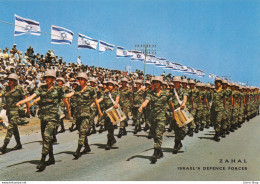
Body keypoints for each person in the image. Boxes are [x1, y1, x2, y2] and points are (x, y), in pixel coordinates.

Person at [16, 70, 71, 171]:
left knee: (46, 136)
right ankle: (51, 157)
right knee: (46, 138)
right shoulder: (42, 88)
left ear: (53, 79)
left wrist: (68, 111)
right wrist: (21, 102)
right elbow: (32, 97)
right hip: (43, 116)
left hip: (53, 117)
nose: (46, 79)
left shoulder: (59, 89)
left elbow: (65, 101)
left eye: (49, 77)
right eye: (45, 77)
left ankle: (42, 160)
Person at [139, 76, 174, 164]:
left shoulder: (166, 94)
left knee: (159, 134)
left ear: (161, 84)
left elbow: (171, 104)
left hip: (162, 117)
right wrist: (141, 106)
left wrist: (173, 114)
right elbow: (146, 101)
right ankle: (159, 151)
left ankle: (155, 152)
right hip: (153, 117)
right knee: (154, 134)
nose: (155, 84)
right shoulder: (150, 94)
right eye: (154, 82)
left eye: (157, 82)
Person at [66, 73, 102, 159]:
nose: (80, 81)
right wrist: (61, 96)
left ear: (86, 81)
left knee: (82, 132)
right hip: (78, 114)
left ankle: (78, 151)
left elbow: (95, 100)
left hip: (86, 114)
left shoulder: (90, 90)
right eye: (79, 79)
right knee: (81, 131)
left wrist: (99, 111)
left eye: (82, 79)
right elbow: (70, 95)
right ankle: (87, 146)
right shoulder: (77, 89)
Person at [0, 73, 30, 154]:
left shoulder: (19, 88)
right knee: (14, 128)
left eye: (11, 80)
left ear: (15, 81)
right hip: (9, 111)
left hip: (16, 111)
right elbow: (1, 94)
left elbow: (26, 99)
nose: (9, 81)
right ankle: (19, 144)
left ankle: (4, 147)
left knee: (10, 128)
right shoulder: (7, 88)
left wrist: (28, 110)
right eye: (9, 80)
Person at [97, 80, 120, 150]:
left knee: (111, 128)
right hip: (106, 113)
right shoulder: (105, 93)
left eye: (110, 85)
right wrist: (93, 103)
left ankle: (108, 143)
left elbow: (117, 99)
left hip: (113, 112)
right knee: (108, 128)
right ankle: (112, 139)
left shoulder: (116, 93)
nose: (109, 87)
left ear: (113, 86)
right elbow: (100, 99)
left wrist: (116, 103)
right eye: (108, 85)